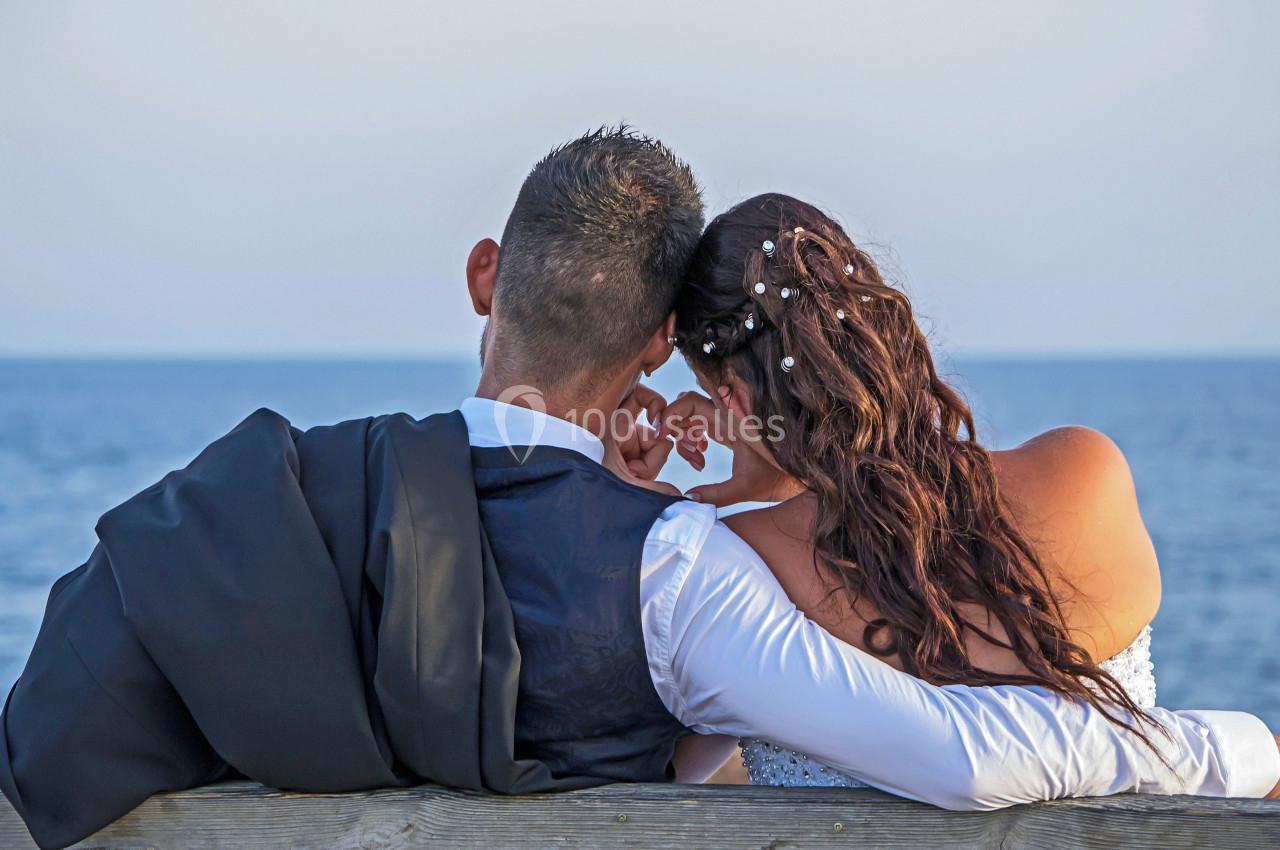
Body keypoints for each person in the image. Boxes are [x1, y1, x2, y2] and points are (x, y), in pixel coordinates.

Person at [3, 130, 1277, 850]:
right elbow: (951, 753)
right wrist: (1239, 746)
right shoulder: (676, 569)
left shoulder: (271, 486)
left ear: (485, 273)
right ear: (656, 348)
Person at [660, 191, 1280, 792]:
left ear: (734, 401)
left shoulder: (745, 561)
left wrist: (771, 475)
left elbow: (664, 766)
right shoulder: (1089, 473)